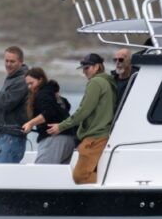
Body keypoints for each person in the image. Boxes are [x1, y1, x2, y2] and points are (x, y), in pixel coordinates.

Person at [47, 53, 116, 184]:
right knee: (93, 173)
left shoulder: (96, 82)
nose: (84, 72)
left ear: (96, 67)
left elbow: (83, 111)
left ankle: (116, 184)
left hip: (95, 138)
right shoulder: (108, 82)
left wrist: (61, 126)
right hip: (102, 136)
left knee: (80, 177)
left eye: (87, 68)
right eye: (83, 68)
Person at [21, 68, 76, 164]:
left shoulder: (42, 94)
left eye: (31, 83)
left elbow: (49, 112)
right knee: (56, 174)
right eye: (28, 84)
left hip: (53, 138)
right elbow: (66, 106)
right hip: (69, 138)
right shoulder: (53, 94)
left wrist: (30, 123)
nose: (29, 87)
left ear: (40, 80)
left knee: (41, 173)